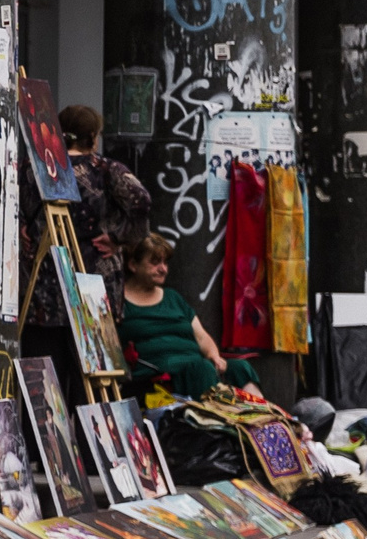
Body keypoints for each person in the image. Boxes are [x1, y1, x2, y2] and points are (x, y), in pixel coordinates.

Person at [118, 232, 260, 397]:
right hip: (159, 377)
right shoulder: (120, 303)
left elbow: (201, 337)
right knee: (202, 370)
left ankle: (260, 419)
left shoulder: (173, 298)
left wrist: (214, 357)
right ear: (133, 265)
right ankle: (215, 421)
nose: (163, 269)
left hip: (196, 367)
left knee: (239, 368)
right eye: (155, 262)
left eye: (165, 262)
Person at [62, 105, 151, 296]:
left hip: (46, 274)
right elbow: (142, 200)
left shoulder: (36, 167)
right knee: (95, 325)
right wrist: (118, 237)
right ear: (93, 136)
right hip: (94, 268)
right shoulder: (106, 169)